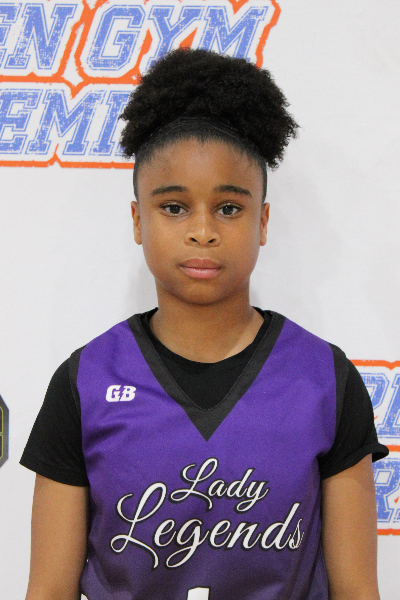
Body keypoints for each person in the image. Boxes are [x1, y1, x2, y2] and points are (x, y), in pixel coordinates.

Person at [21, 48, 389, 600]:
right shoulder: (85, 383)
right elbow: (48, 590)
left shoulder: (325, 380)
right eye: (174, 207)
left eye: (229, 208)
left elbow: (357, 590)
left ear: (263, 221)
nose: (202, 231)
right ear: (138, 220)